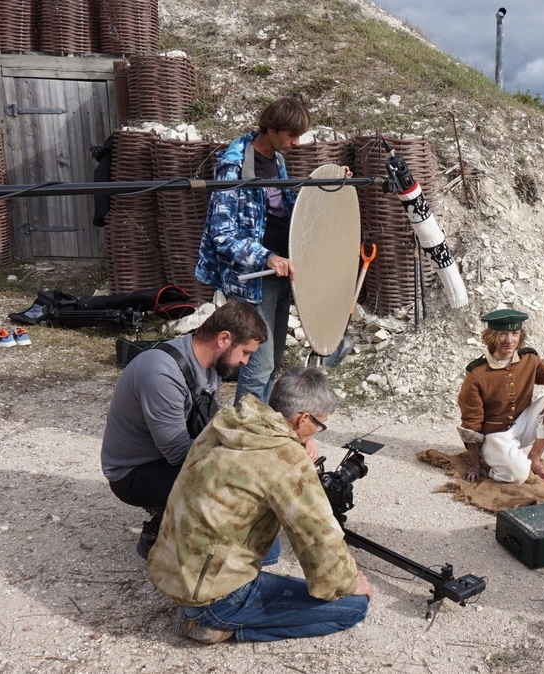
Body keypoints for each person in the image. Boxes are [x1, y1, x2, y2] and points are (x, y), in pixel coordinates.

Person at [147, 366, 373, 643]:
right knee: (353, 608)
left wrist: (296, 448)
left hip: (171, 573)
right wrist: (349, 583)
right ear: (303, 419)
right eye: (319, 425)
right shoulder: (286, 460)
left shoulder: (229, 422)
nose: (316, 432)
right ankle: (218, 626)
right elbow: (319, 538)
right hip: (211, 598)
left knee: (268, 544)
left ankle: (211, 613)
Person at [101, 301, 267, 559]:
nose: (245, 361)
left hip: (161, 456)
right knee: (227, 486)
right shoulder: (162, 374)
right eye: (245, 352)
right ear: (224, 338)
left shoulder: (210, 362)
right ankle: (156, 534)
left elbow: (211, 421)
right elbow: (179, 454)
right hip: (131, 472)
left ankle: (175, 510)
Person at [195, 96, 310, 405]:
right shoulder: (233, 166)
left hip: (280, 273)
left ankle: (257, 421)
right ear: (271, 128)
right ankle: (244, 427)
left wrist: (329, 185)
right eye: (291, 135)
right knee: (258, 365)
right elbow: (222, 234)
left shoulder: (278, 160)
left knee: (271, 360)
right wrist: (267, 257)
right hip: (252, 280)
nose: (297, 143)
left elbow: (282, 213)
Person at [457, 309, 544, 485]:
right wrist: (476, 465)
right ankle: (500, 463)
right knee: (520, 475)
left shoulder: (529, 359)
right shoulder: (477, 373)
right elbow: (471, 422)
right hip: (494, 437)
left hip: (521, 427)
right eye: (502, 334)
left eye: (515, 333)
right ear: (491, 336)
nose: (509, 340)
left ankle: (534, 459)